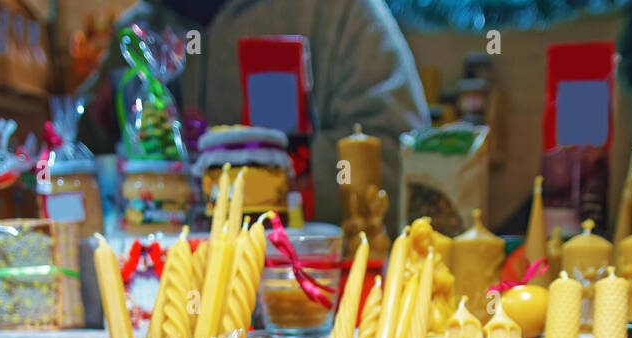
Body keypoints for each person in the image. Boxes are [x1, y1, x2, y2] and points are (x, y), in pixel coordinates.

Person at [78, 0, 425, 234]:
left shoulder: (336, 12)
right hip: (157, 293)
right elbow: (82, 163)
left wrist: (245, 179)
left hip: (307, 298)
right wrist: (101, 124)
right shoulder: (136, 33)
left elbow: (400, 159)